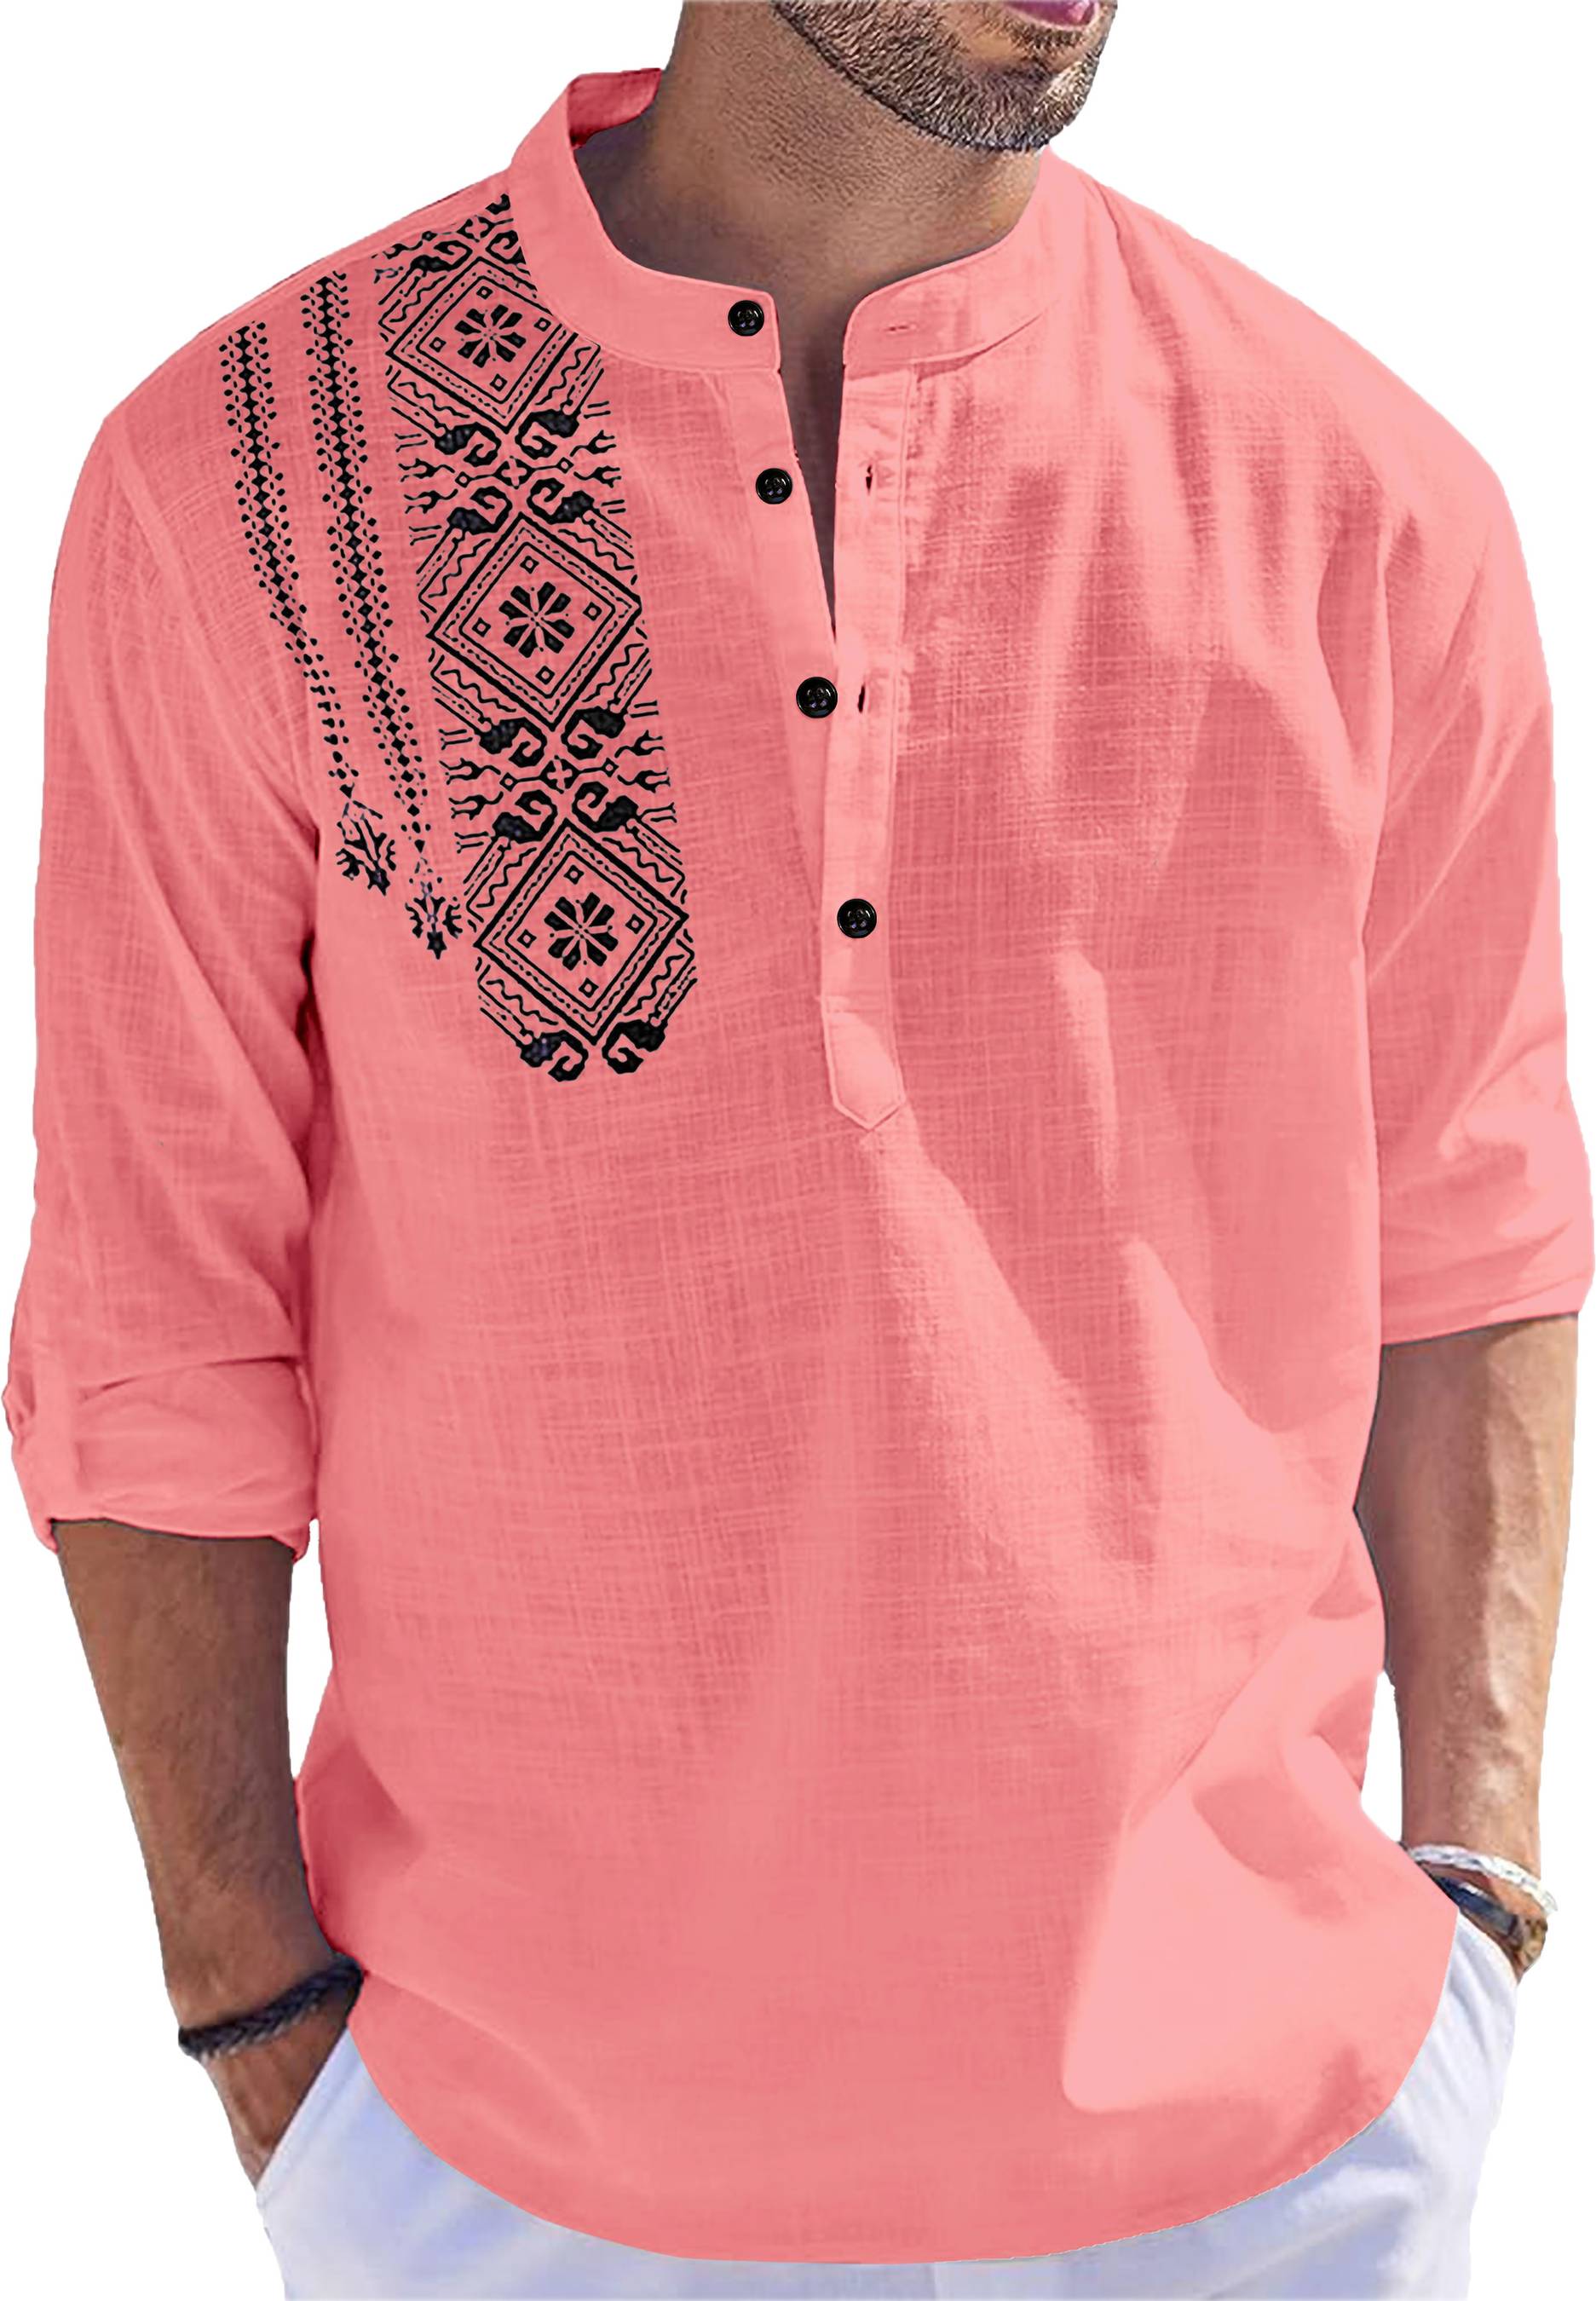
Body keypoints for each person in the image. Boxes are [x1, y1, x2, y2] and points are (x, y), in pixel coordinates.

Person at [6, 3, 1588, 2294]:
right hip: (510, 2177)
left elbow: (1473, 1223)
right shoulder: (241, 479)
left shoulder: (1364, 498)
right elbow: (154, 1318)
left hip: (1279, 2164)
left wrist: (1482, 1884)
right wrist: (260, 2026)